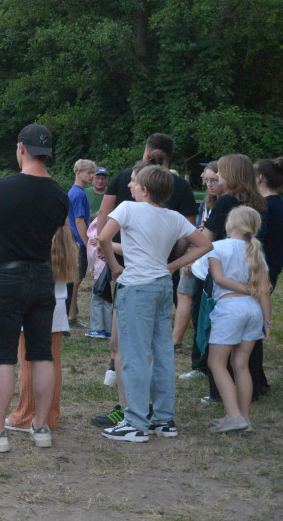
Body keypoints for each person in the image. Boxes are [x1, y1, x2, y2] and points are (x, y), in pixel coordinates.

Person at [0, 124, 69, 454]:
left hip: (7, 276)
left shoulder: (1, 188)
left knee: (4, 357)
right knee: (41, 353)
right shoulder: (60, 194)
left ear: (21, 148)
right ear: (48, 154)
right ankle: (41, 426)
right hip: (43, 275)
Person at [97, 164, 211, 442]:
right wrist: (171, 265)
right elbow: (205, 245)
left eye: (135, 183)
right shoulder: (173, 216)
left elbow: (102, 237)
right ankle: (164, 419)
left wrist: (114, 267)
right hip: (161, 287)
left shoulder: (127, 209)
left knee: (134, 355)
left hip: (136, 287)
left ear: (145, 189)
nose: (129, 186)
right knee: (162, 353)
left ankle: (135, 422)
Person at [192, 206, 271, 432]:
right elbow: (264, 292)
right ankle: (244, 418)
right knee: (241, 365)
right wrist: (267, 322)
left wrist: (246, 290)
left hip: (230, 309)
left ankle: (233, 415)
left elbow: (218, 278)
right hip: (253, 312)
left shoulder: (217, 247)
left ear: (232, 225)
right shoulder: (256, 251)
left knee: (216, 363)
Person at [198, 154, 269, 403]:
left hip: (226, 276)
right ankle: (254, 387)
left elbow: (206, 238)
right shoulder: (259, 200)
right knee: (250, 344)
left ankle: (220, 393)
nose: (218, 176)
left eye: (222, 172)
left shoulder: (227, 200)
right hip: (254, 270)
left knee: (218, 340)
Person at [6, 221, 75, 432]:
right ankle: (50, 416)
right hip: (58, 304)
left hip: (34, 305)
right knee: (51, 363)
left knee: (28, 364)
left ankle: (26, 416)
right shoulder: (66, 243)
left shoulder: (34, 243)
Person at [176, 162, 221, 361]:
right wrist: (192, 255)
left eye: (214, 180)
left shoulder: (227, 203)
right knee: (189, 300)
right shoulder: (207, 202)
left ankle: (204, 356)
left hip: (214, 262)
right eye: (207, 181)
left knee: (205, 308)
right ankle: (182, 344)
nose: (209, 185)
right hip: (198, 258)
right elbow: (198, 231)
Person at [67, 159, 96, 326]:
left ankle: (71, 313)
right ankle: (71, 317)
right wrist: (88, 243)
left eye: (93, 172)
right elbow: (79, 221)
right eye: (88, 173)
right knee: (75, 281)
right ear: (78, 173)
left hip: (73, 240)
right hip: (78, 242)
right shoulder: (78, 194)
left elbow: (83, 217)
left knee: (74, 280)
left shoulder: (76, 192)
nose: (92, 175)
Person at [254, 157, 283, 288]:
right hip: (273, 264)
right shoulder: (278, 202)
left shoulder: (264, 206)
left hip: (261, 268)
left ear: (259, 178)